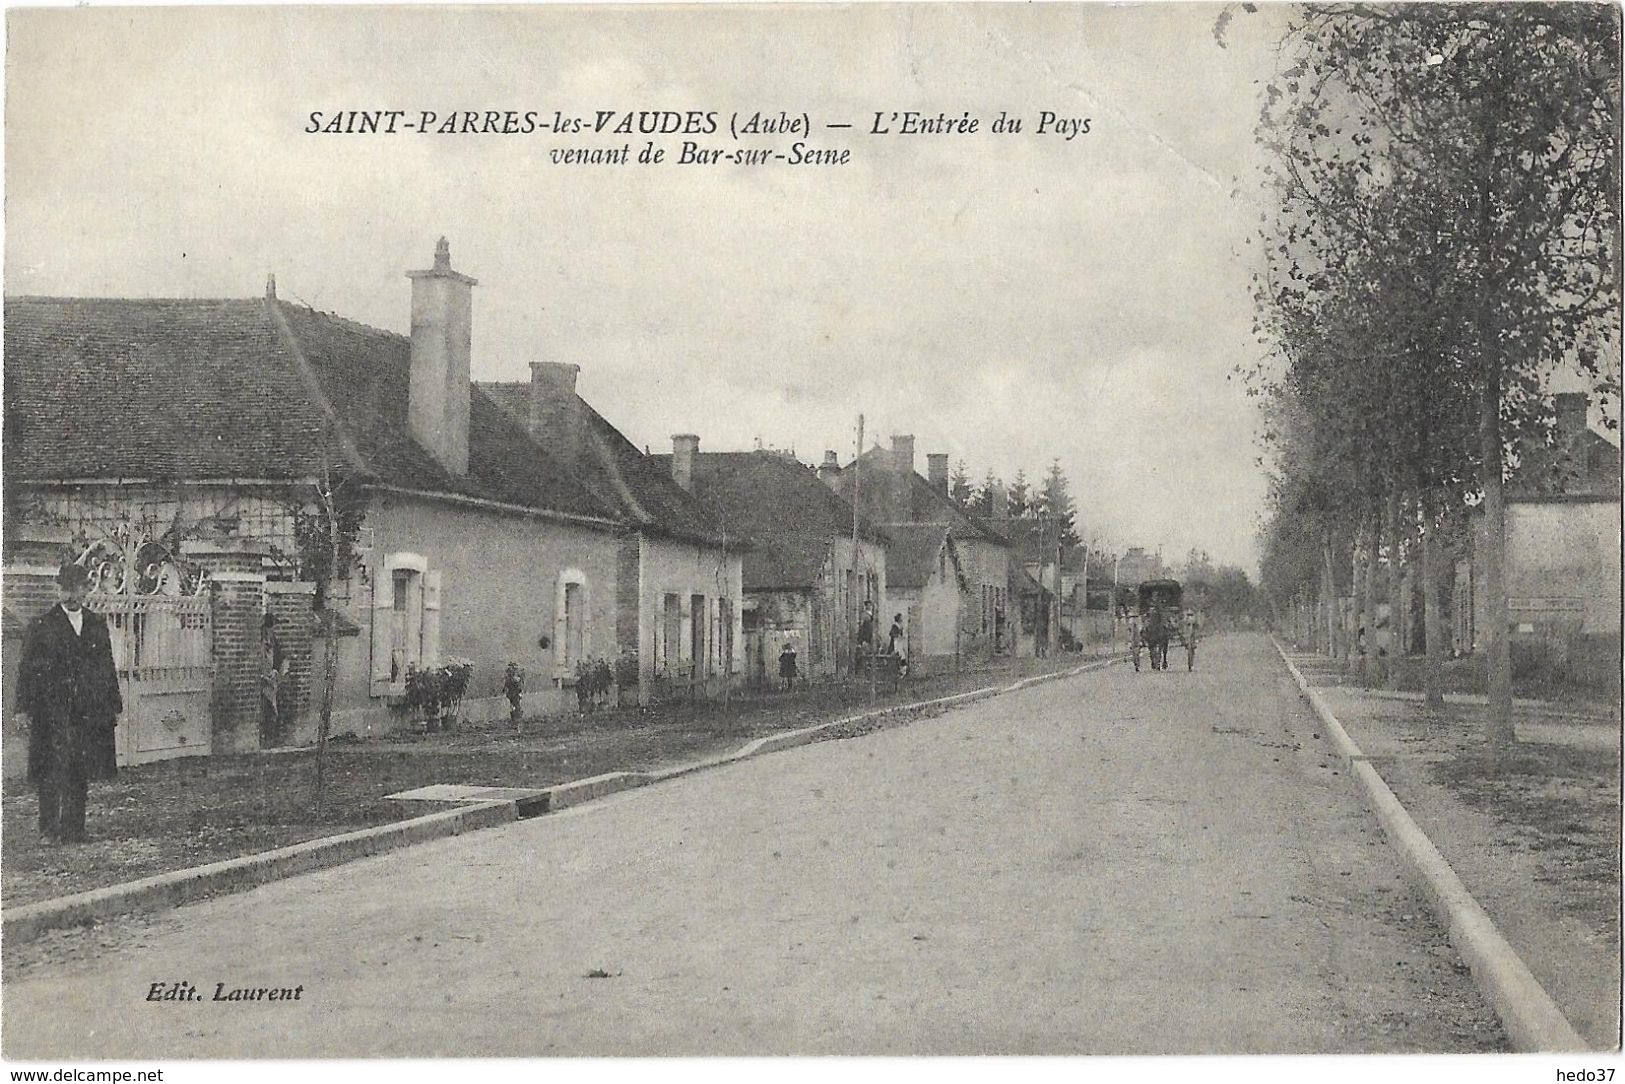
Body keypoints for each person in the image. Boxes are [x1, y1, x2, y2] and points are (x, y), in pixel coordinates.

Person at [18, 561, 122, 844]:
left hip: (85, 710)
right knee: (51, 769)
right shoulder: (42, 625)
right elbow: (27, 668)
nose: (69, 595)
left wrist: (114, 703)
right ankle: (49, 830)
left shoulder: (96, 623)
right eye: (64, 589)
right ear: (58, 590)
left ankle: (75, 828)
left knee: (79, 768)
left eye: (75, 589)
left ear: (85, 590)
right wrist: (23, 708)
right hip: (51, 710)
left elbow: (106, 665)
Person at [260, 612, 290, 746]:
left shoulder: (273, 641)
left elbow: (279, 658)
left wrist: (275, 671)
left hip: (270, 682)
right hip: (260, 682)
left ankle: (270, 740)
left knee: (272, 710)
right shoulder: (258, 642)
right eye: (268, 629)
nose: (270, 632)